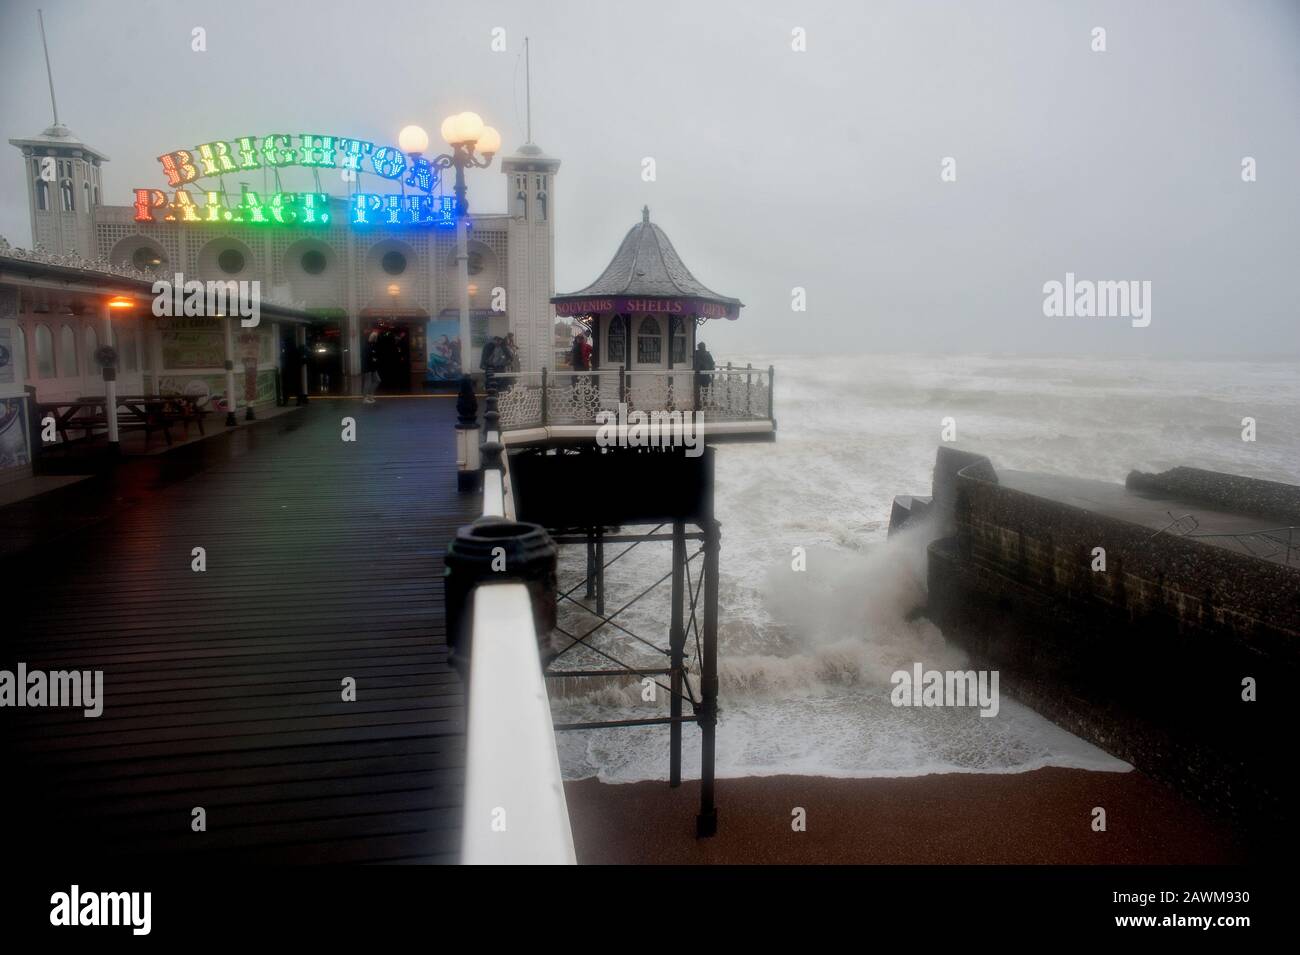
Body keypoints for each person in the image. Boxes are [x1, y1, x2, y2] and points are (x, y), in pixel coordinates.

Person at [362, 330, 381, 403]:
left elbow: (373, 356)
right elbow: (367, 357)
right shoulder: (367, 345)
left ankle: (370, 395)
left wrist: (374, 359)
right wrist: (374, 359)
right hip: (367, 366)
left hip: (372, 366)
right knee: (368, 382)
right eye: (375, 337)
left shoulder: (373, 345)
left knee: (377, 380)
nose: (376, 339)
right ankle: (365, 398)